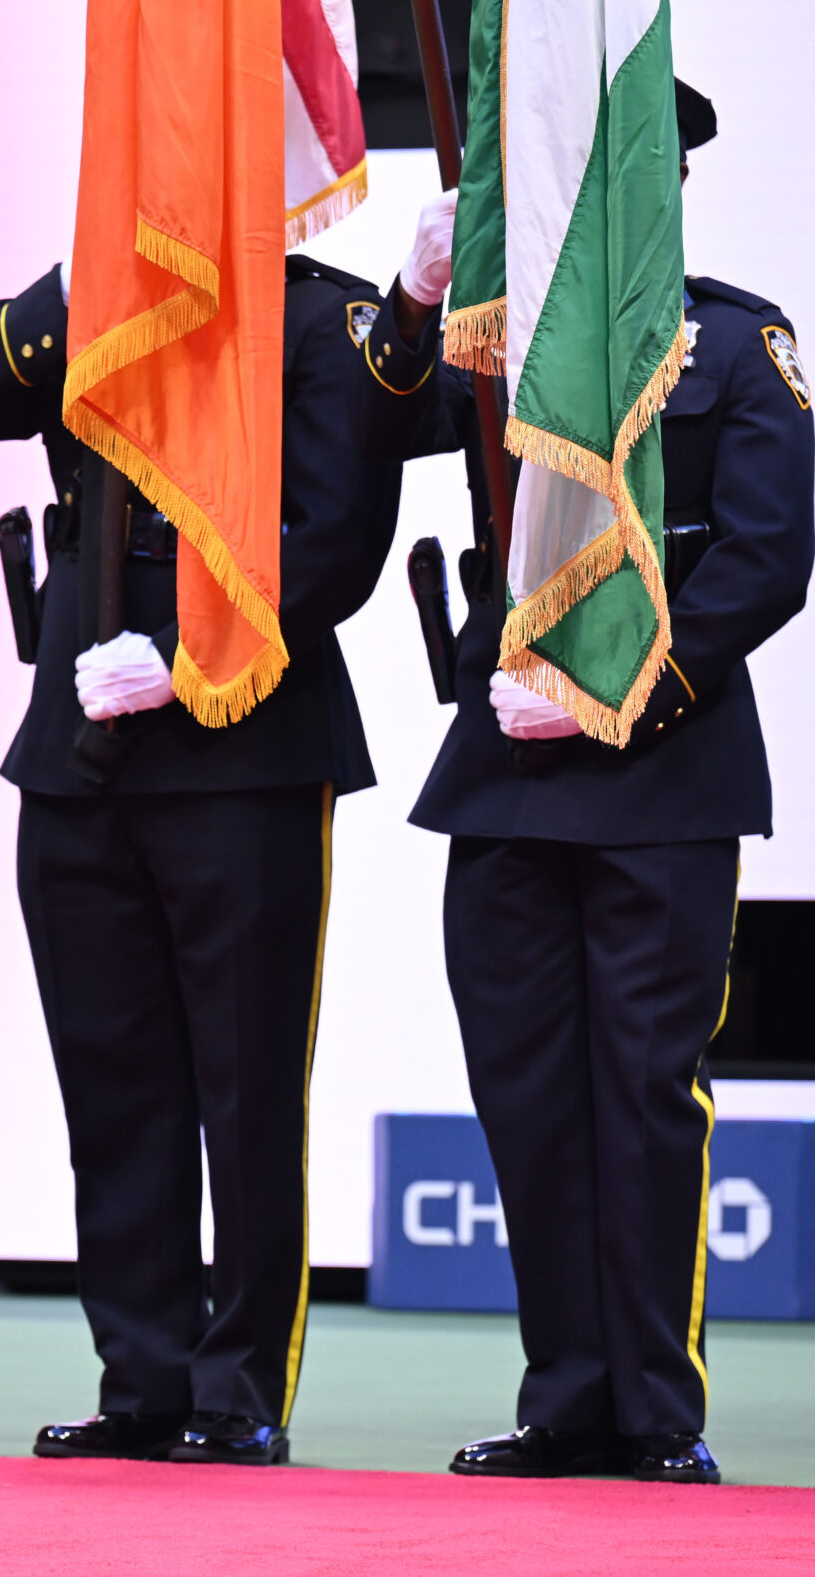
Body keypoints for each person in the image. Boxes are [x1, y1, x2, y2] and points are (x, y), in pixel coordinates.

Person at [0, 249, 427, 1464]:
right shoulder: (101, 293)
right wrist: (87, 277)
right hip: (77, 741)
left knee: (243, 1086)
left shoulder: (315, 312)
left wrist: (194, 653)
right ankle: (140, 1376)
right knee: (112, 1084)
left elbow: (338, 537)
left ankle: (238, 1386)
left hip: (239, 739)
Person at [371, 82, 813, 1486]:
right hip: (503, 771)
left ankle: (654, 1408)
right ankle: (565, 1396)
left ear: (670, 182)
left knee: (642, 1092)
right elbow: (376, 427)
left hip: (664, 777)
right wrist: (414, 289)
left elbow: (764, 557)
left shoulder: (740, 343)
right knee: (528, 1096)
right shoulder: (503, 345)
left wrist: (624, 687)